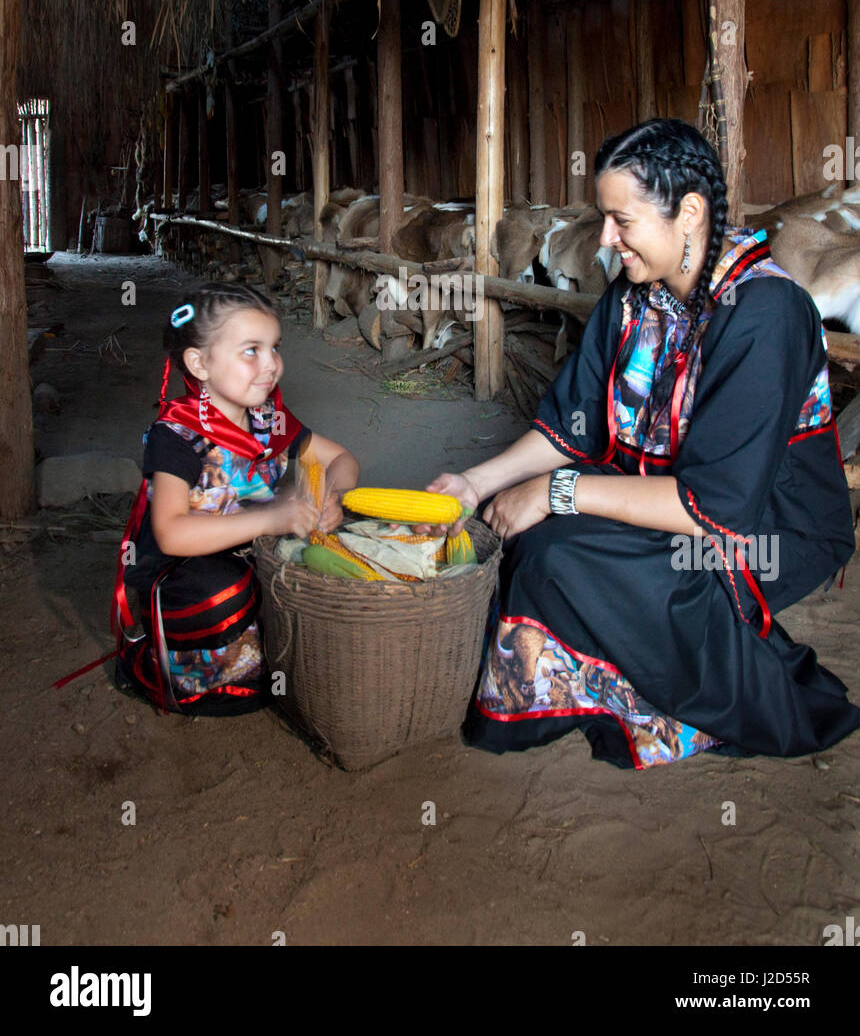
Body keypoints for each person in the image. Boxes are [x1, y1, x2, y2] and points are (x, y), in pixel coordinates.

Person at [424, 119, 859, 769]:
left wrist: (555, 491)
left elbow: (715, 507)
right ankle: (565, 685)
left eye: (620, 220)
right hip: (663, 493)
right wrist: (478, 483)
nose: (605, 238)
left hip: (769, 526)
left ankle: (672, 685)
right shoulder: (632, 301)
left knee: (564, 554)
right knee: (536, 544)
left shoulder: (767, 314)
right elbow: (574, 425)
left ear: (688, 213)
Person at [113, 281, 358, 714]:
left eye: (274, 348)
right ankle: (162, 665)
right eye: (251, 350)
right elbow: (171, 534)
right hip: (189, 574)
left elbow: (340, 458)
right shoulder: (176, 437)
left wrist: (331, 496)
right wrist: (272, 520)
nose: (272, 365)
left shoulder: (269, 419)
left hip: (252, 554)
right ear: (199, 363)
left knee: (336, 555)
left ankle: (271, 648)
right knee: (223, 588)